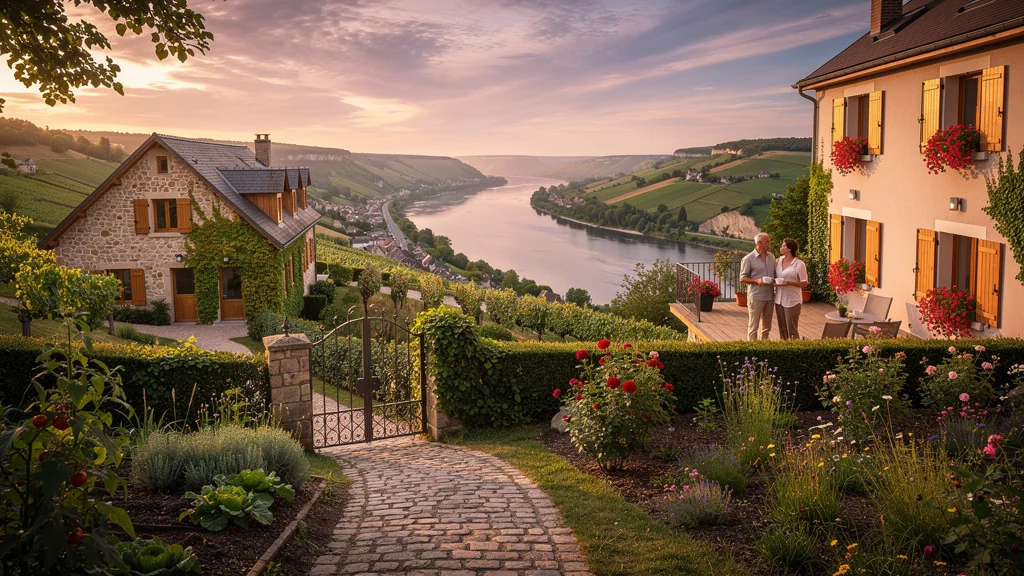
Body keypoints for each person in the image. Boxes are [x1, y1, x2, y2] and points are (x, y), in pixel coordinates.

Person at [739, 232, 775, 341]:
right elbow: (742, 278)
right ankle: (752, 351)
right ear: (759, 243)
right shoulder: (748, 259)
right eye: (767, 241)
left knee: (766, 327)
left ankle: (763, 349)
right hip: (756, 296)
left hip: (770, 296)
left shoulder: (771, 257)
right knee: (753, 326)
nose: (770, 243)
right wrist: (756, 281)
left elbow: (775, 273)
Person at [773, 238, 809, 339]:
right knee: (782, 329)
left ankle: (795, 350)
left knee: (791, 329)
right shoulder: (778, 261)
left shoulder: (799, 264)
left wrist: (789, 283)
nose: (781, 248)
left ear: (789, 249)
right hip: (779, 299)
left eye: (783, 246)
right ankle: (784, 350)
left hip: (792, 300)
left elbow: (804, 283)